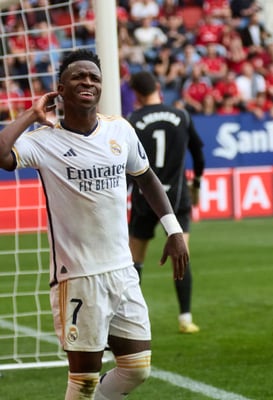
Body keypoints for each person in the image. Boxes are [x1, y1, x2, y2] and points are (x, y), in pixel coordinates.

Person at [0, 49, 189, 399]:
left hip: (122, 271)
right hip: (78, 277)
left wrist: (173, 229)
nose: (88, 82)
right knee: (84, 381)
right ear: (60, 89)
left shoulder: (120, 130)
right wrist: (31, 113)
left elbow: (146, 177)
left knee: (136, 368)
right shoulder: (44, 141)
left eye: (94, 78)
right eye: (79, 77)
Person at [127, 70, 205, 334]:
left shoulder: (133, 120)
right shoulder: (181, 115)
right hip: (177, 197)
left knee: (135, 259)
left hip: (144, 197)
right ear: (158, 88)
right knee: (181, 255)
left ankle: (131, 319)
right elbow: (198, 153)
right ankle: (185, 318)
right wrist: (197, 183)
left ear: (137, 94)